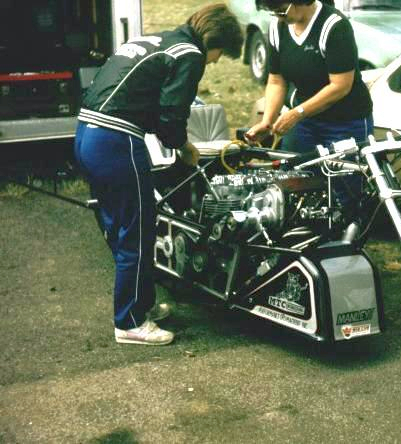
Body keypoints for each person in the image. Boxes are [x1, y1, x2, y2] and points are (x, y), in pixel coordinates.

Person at [74, 4, 243, 345]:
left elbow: (140, 99)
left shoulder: (158, 40)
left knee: (119, 227)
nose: (214, 62)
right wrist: (184, 147)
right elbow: (171, 113)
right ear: (215, 40)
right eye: (220, 55)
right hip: (117, 141)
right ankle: (130, 322)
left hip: (86, 133)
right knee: (138, 232)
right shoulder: (190, 53)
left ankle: (139, 305)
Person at [245, 0, 373, 205]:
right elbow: (276, 80)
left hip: (345, 121)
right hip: (304, 121)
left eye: (282, 11)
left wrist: (298, 113)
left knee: (345, 191)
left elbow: (340, 86)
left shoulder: (334, 26)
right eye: (273, 12)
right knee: (293, 182)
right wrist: (268, 121)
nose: (278, 17)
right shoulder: (278, 28)